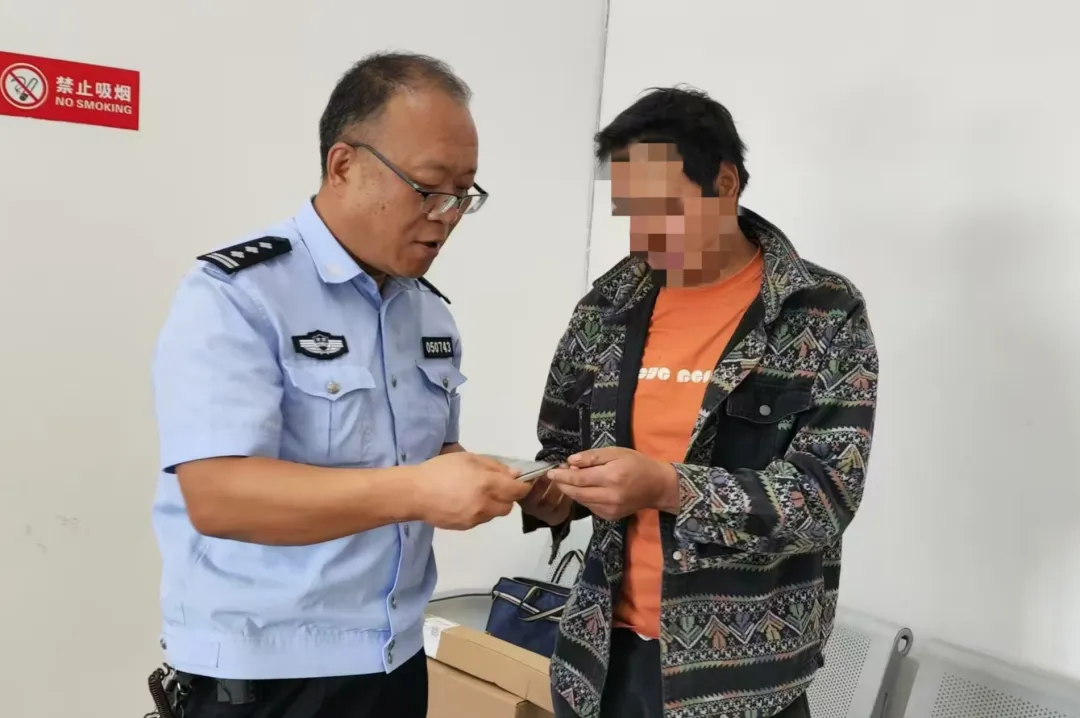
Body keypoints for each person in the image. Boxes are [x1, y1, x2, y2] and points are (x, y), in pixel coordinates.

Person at [150, 52, 530, 718]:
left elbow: (421, 458)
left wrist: (512, 482)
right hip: (266, 675)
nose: (447, 215)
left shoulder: (427, 312)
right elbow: (218, 496)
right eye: (428, 188)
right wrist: (421, 490)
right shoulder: (238, 295)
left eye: (464, 195)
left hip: (393, 661)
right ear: (344, 165)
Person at [519, 87, 878, 718]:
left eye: (663, 209)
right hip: (601, 661)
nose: (643, 235)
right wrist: (553, 493)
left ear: (725, 183)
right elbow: (561, 445)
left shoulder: (822, 314)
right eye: (630, 213)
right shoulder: (608, 306)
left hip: (742, 680)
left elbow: (825, 497)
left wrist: (668, 487)